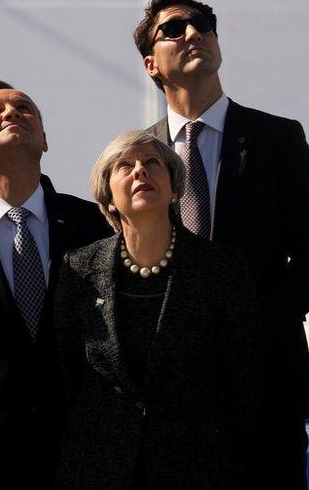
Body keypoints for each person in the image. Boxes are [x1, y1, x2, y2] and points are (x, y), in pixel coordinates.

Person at [136, 0, 309, 487]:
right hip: (174, 395)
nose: (193, 33)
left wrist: (258, 318)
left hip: (266, 384)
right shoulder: (139, 158)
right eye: (174, 29)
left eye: (203, 24)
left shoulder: (276, 138)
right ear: (152, 64)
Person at [55, 129, 259, 488]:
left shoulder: (221, 269)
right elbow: (69, 375)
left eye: (151, 163)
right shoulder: (78, 268)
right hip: (99, 467)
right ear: (109, 197)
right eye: (125, 166)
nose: (139, 172)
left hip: (195, 466)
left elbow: (242, 381)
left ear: (175, 188)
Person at [0, 80, 111, 489]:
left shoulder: (94, 225)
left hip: (82, 444)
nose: (10, 113)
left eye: (24, 108)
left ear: (44, 139)